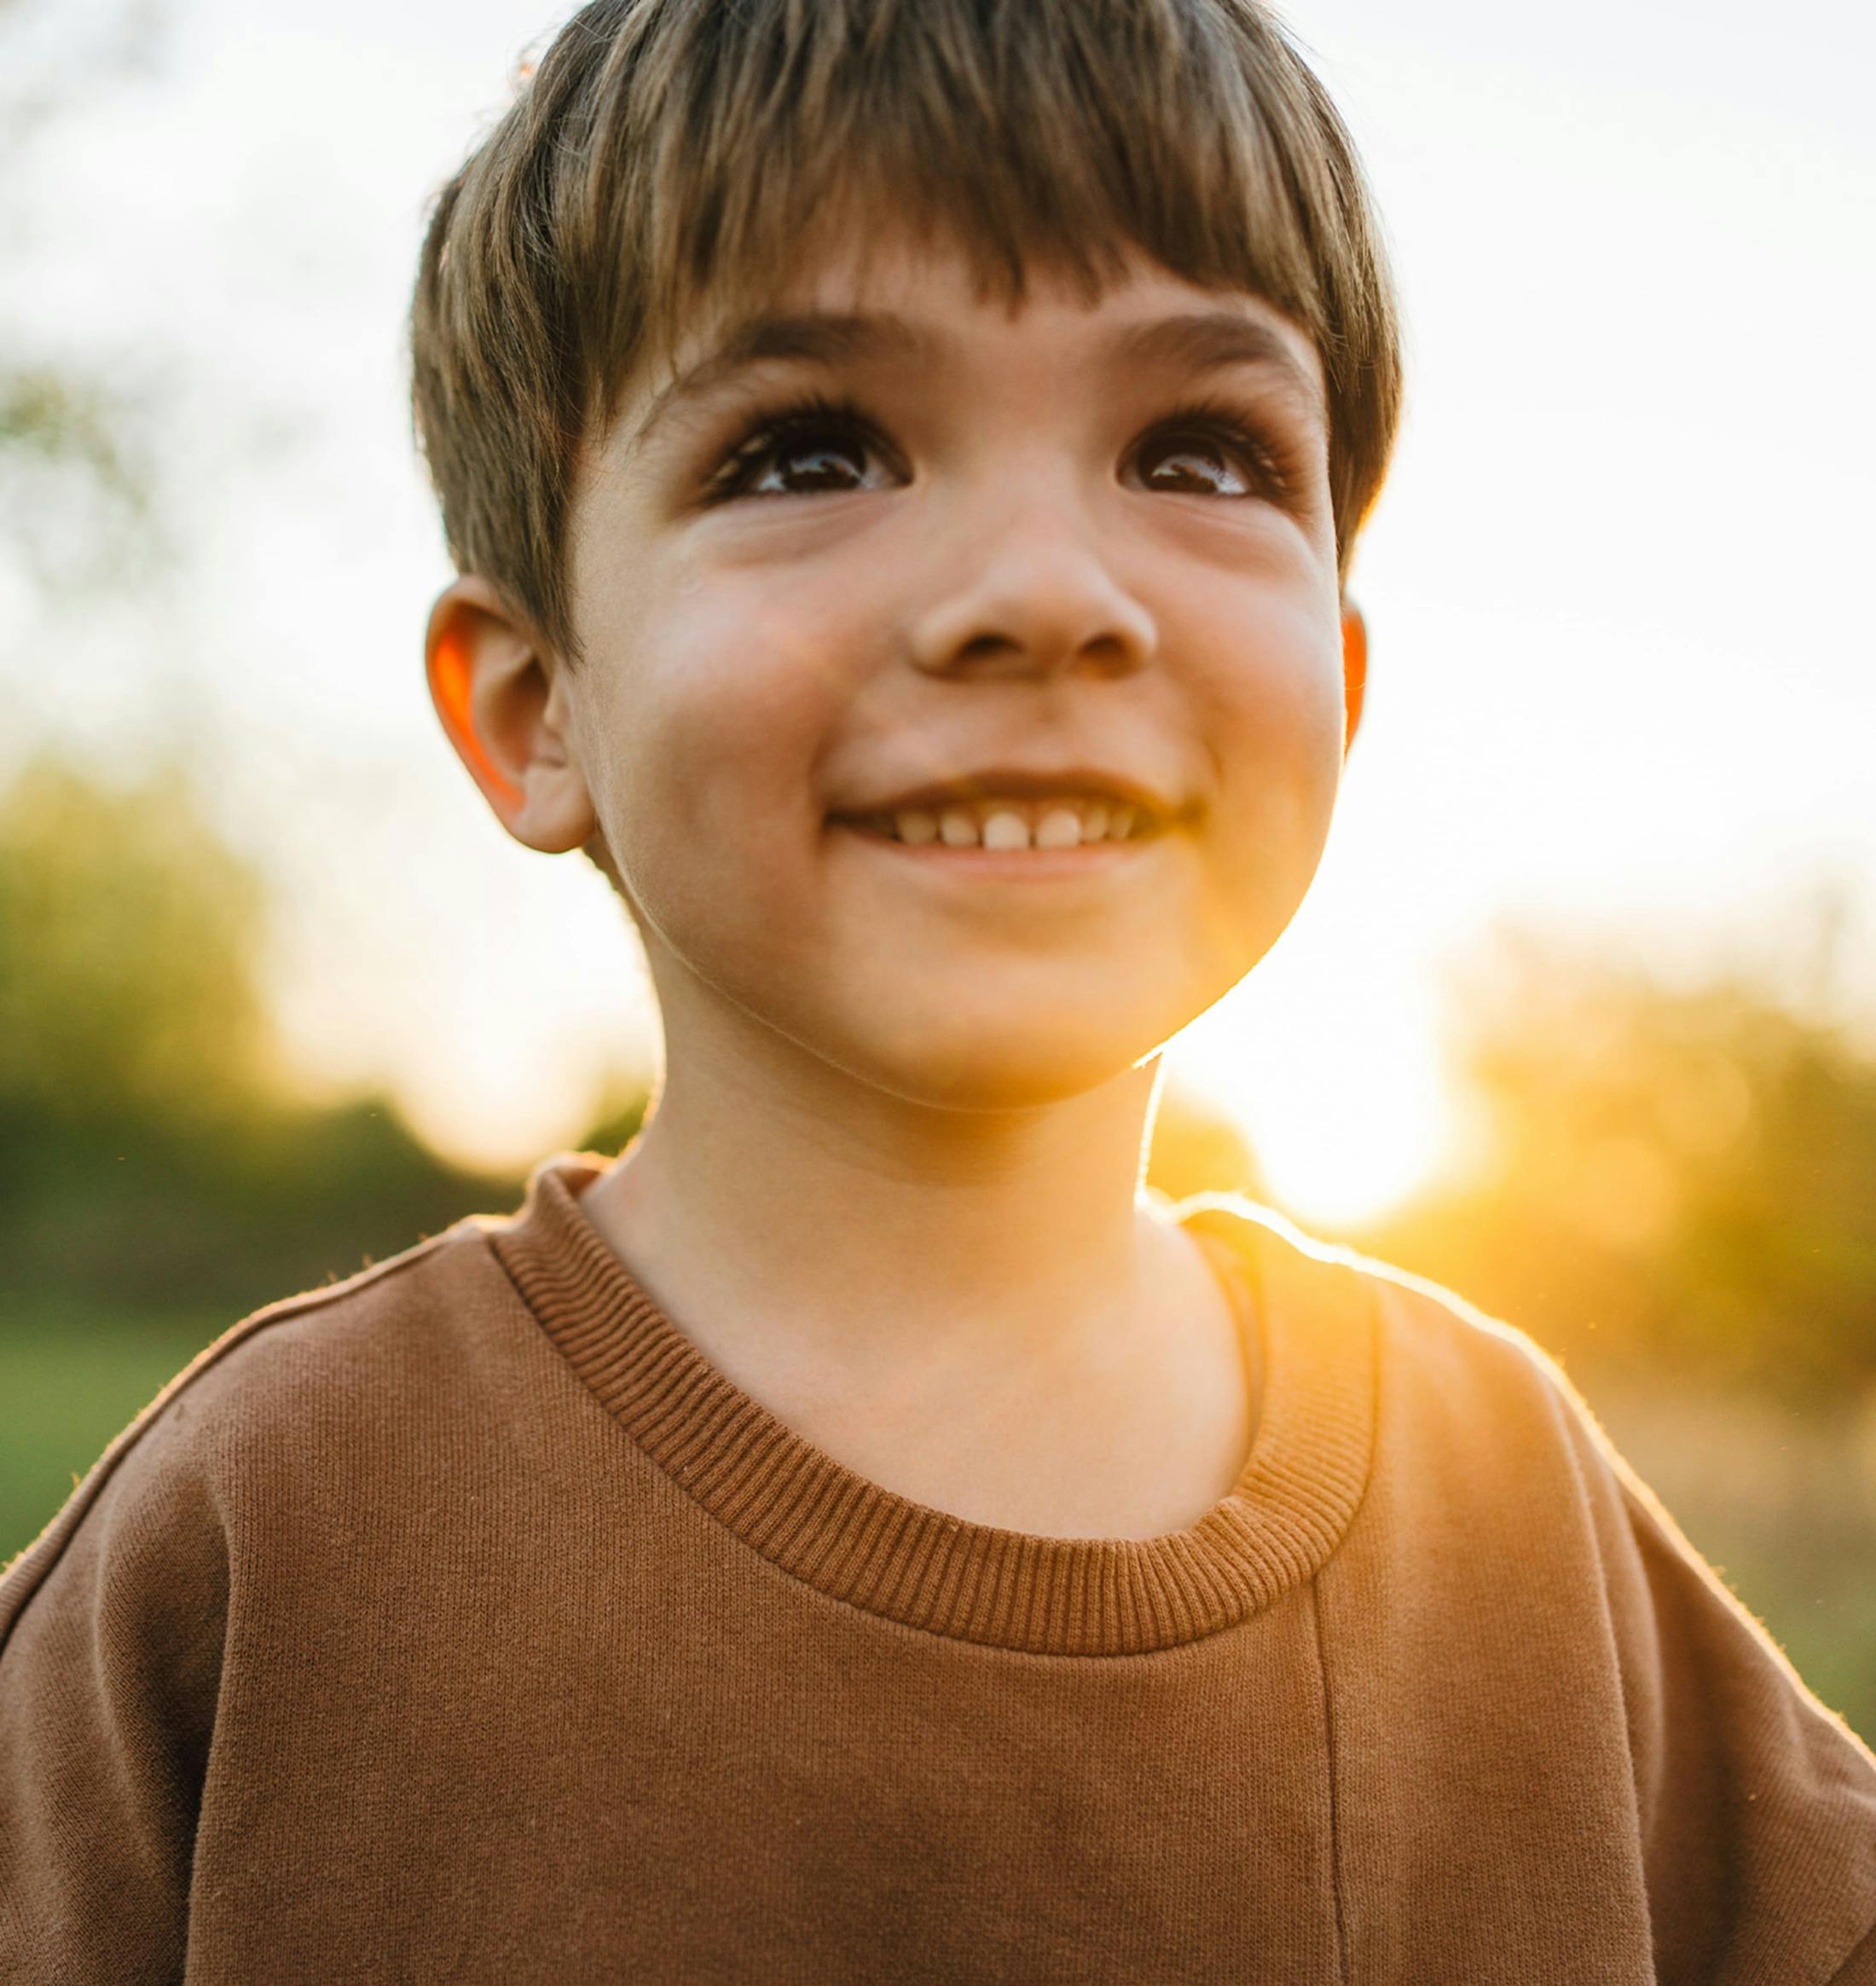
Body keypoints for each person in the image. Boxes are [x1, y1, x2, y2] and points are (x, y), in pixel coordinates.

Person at [3, 0, 1873, 1976]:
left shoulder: (1503, 1505)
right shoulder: (270, 1529)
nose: (1047, 587)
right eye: (813, 449)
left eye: (1197, 451)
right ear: (536, 709)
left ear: (1335, 678)